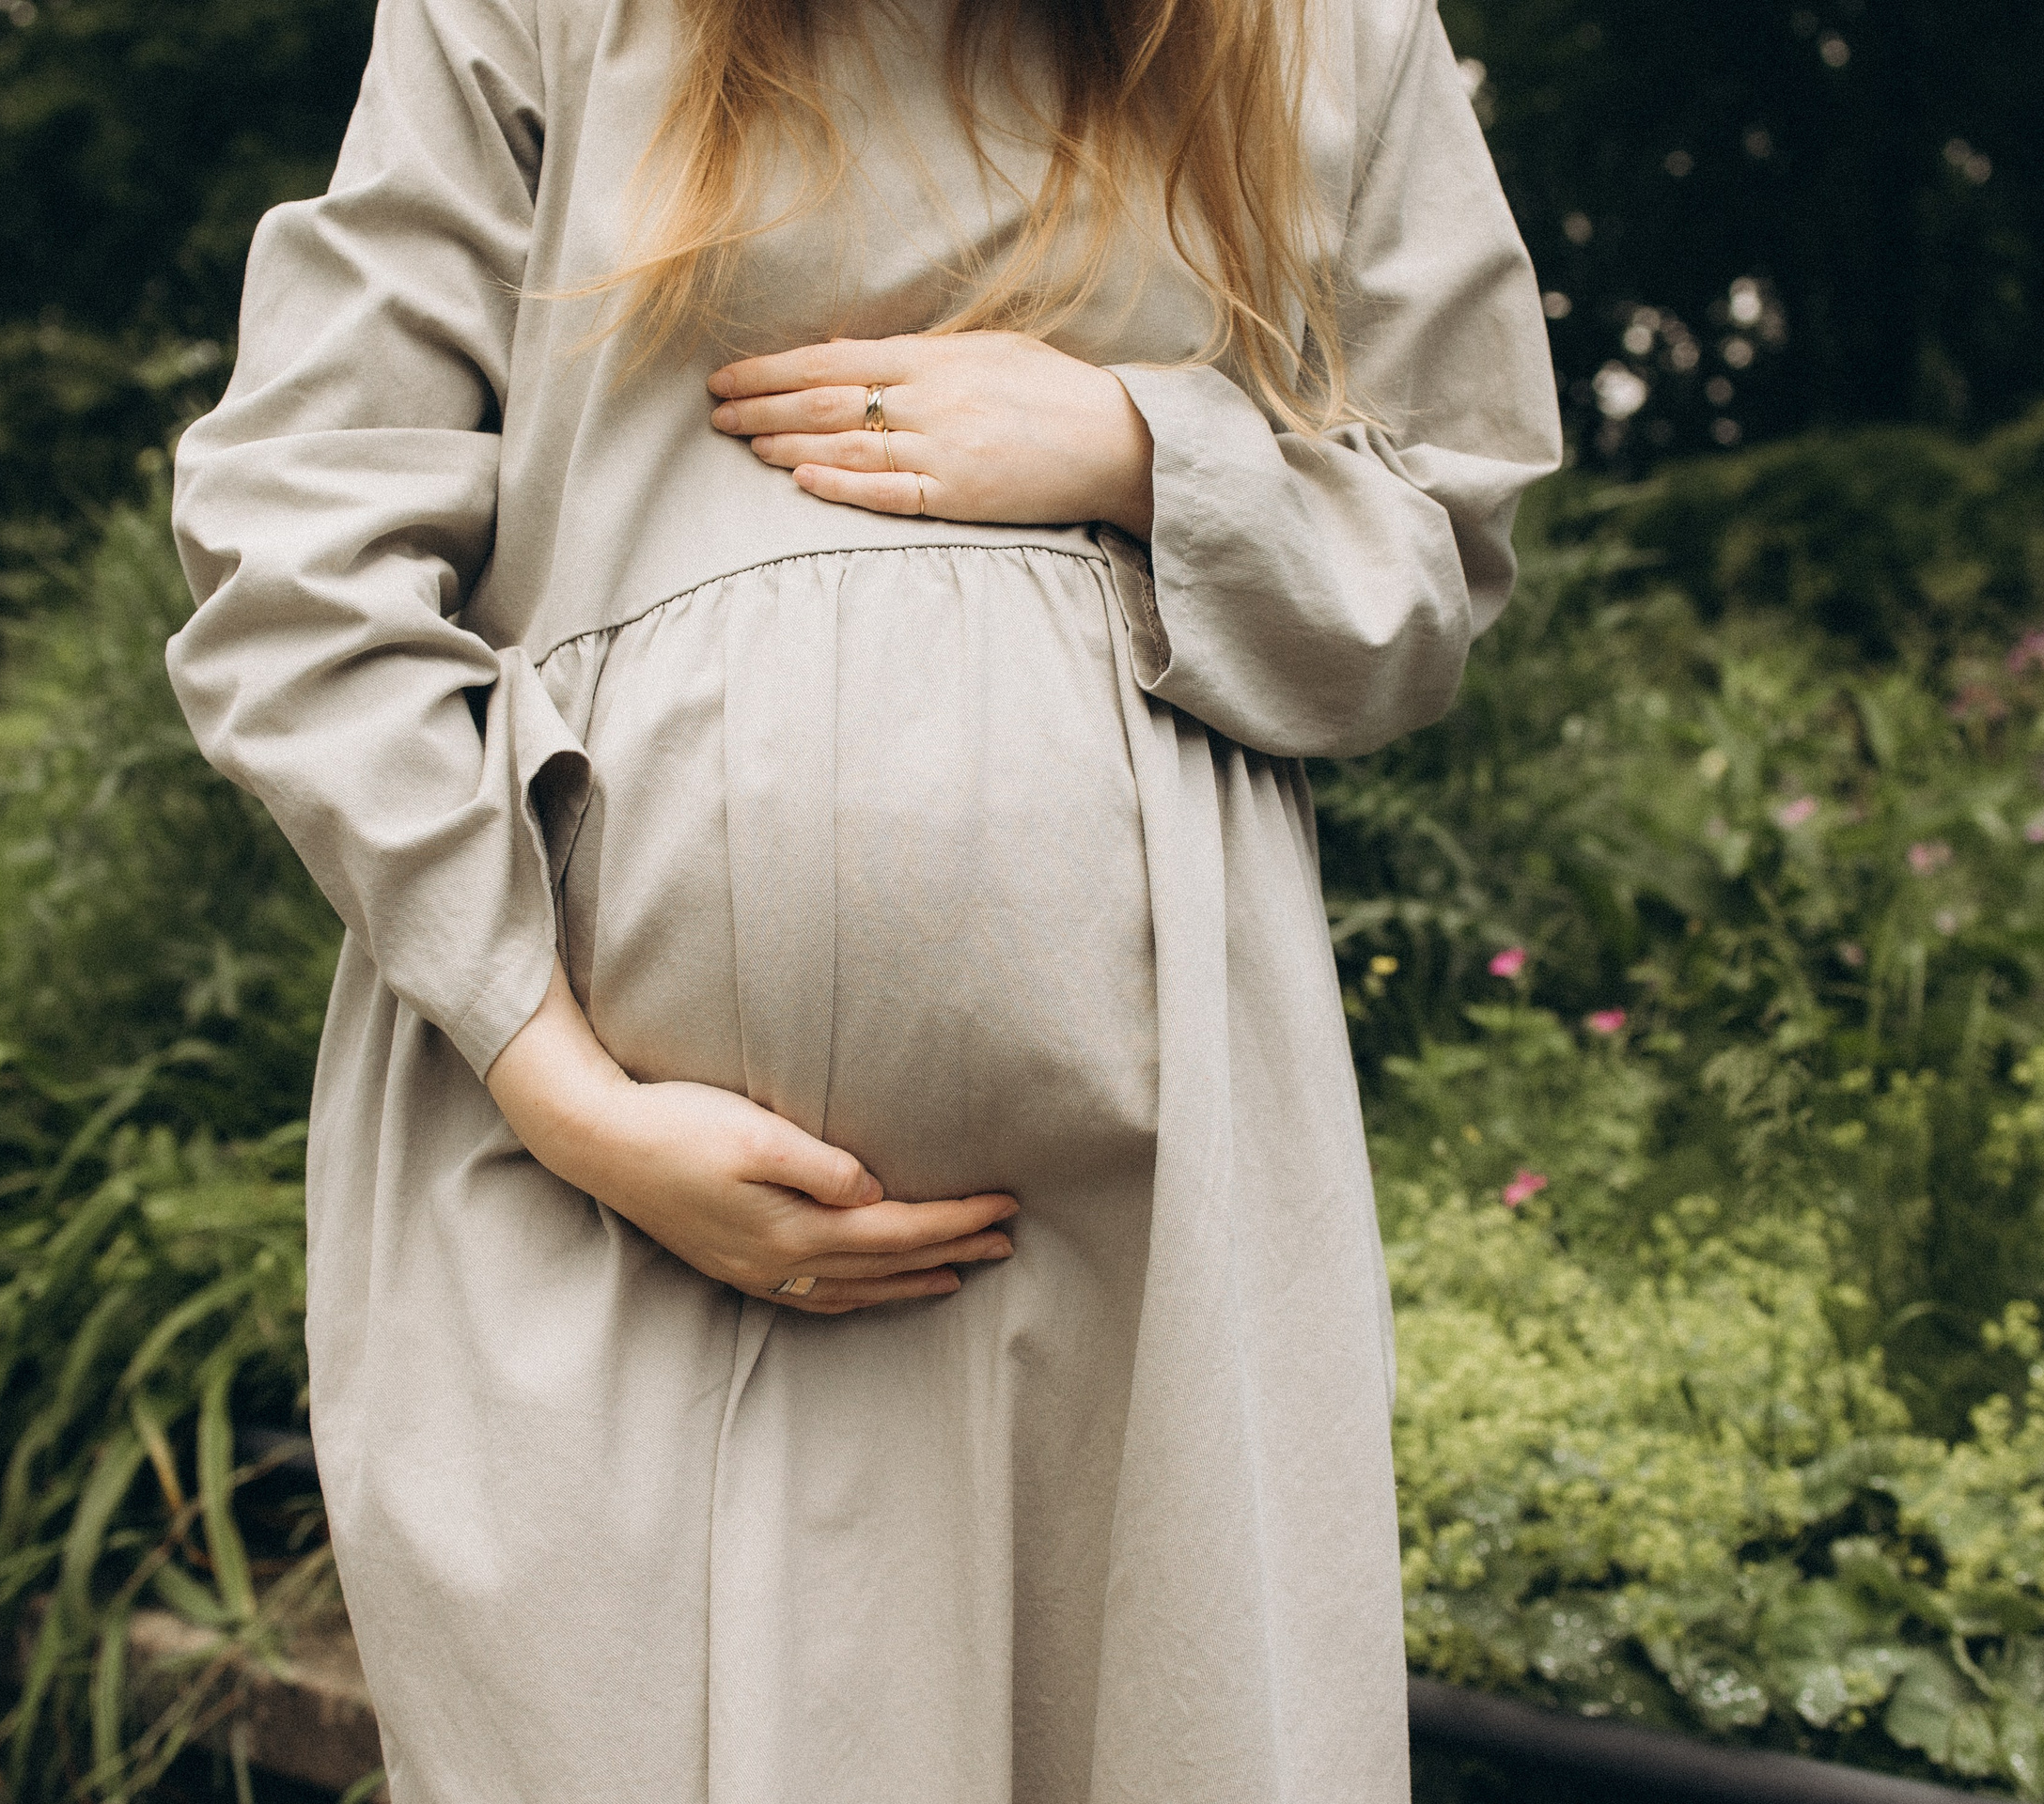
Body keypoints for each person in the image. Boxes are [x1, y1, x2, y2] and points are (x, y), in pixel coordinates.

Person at [165, 0, 1560, 1796]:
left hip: (1141, 1219)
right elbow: (297, 557)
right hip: (591, 1191)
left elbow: (1435, 555)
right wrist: (559, 1086)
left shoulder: (1328, 29)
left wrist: (1147, 450)